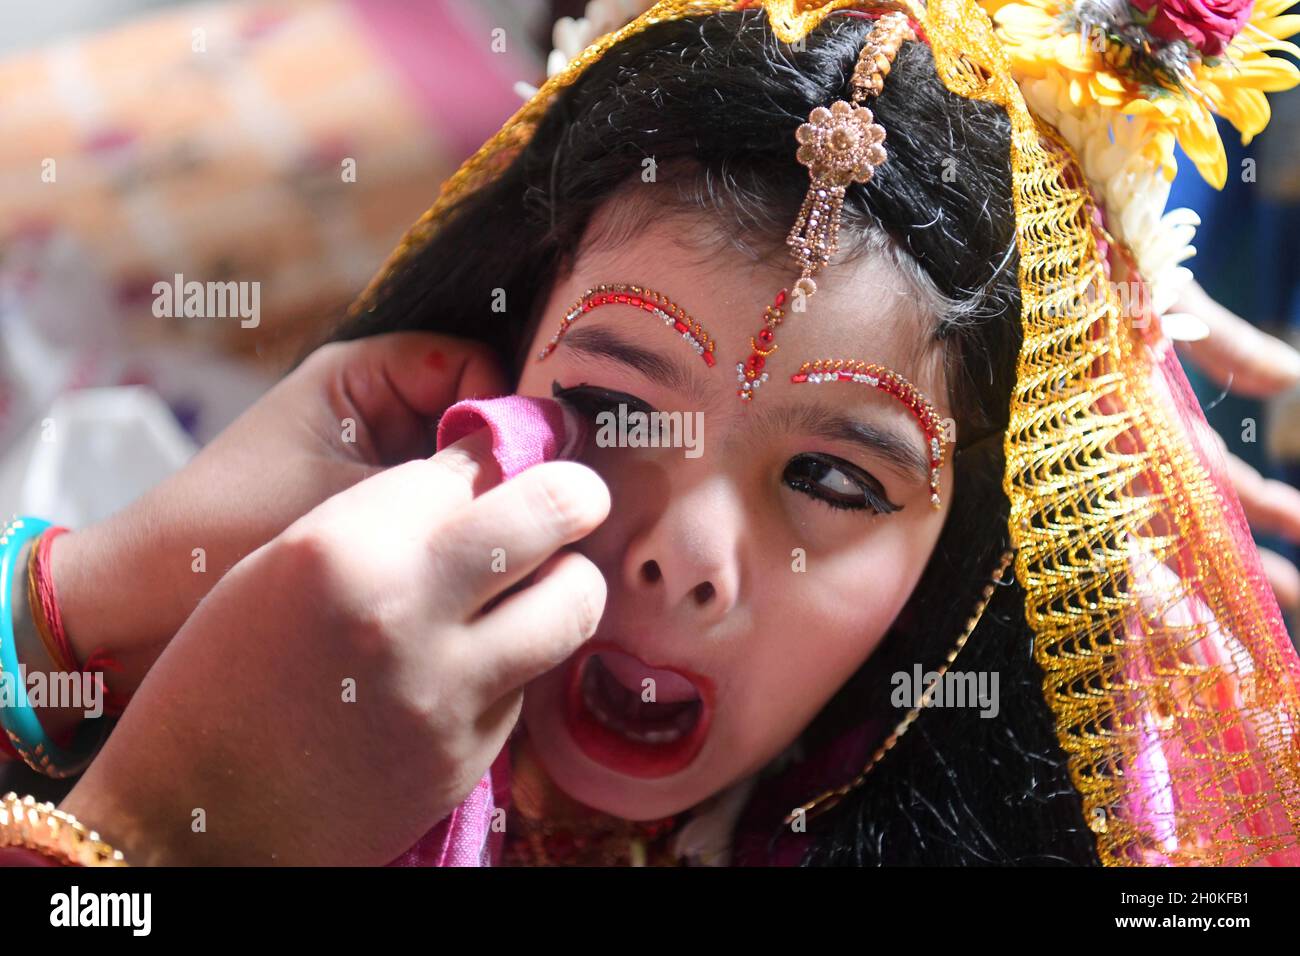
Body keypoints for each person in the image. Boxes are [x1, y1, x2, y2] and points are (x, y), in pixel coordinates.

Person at [3, 0, 1300, 866]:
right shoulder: (260, 681)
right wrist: (81, 613)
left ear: (959, 571)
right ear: (495, 365)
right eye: (615, 409)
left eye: (833, 476)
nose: (687, 555)